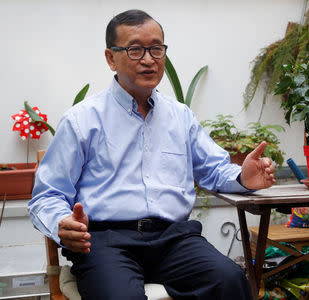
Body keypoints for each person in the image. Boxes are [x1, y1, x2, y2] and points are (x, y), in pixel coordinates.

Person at [28, 9, 276, 300]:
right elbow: (47, 195)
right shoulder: (82, 120)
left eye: (156, 49)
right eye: (135, 50)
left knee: (230, 280)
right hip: (107, 241)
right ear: (111, 58)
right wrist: (62, 224)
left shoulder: (180, 117)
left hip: (174, 240)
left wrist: (243, 177)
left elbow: (214, 169)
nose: (148, 59)